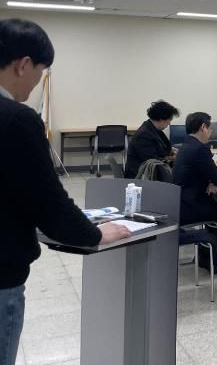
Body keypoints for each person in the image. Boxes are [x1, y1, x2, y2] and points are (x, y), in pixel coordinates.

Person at [0, 19, 131, 364]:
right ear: (23, 64)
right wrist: (94, 233)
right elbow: (48, 201)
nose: (36, 83)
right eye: (40, 72)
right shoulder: (16, 119)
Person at [172, 112, 217, 274]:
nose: (211, 132)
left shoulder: (186, 145)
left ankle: (205, 254)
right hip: (190, 206)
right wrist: (214, 181)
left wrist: (211, 181)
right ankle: (210, 260)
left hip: (180, 202)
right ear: (203, 127)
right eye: (210, 128)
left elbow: (205, 174)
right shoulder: (200, 149)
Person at [125, 100, 180, 178]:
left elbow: (161, 147)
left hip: (149, 172)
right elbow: (154, 163)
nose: (169, 123)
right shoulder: (144, 135)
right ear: (161, 119)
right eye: (170, 119)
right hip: (141, 176)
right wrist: (174, 158)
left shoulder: (152, 128)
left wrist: (172, 150)